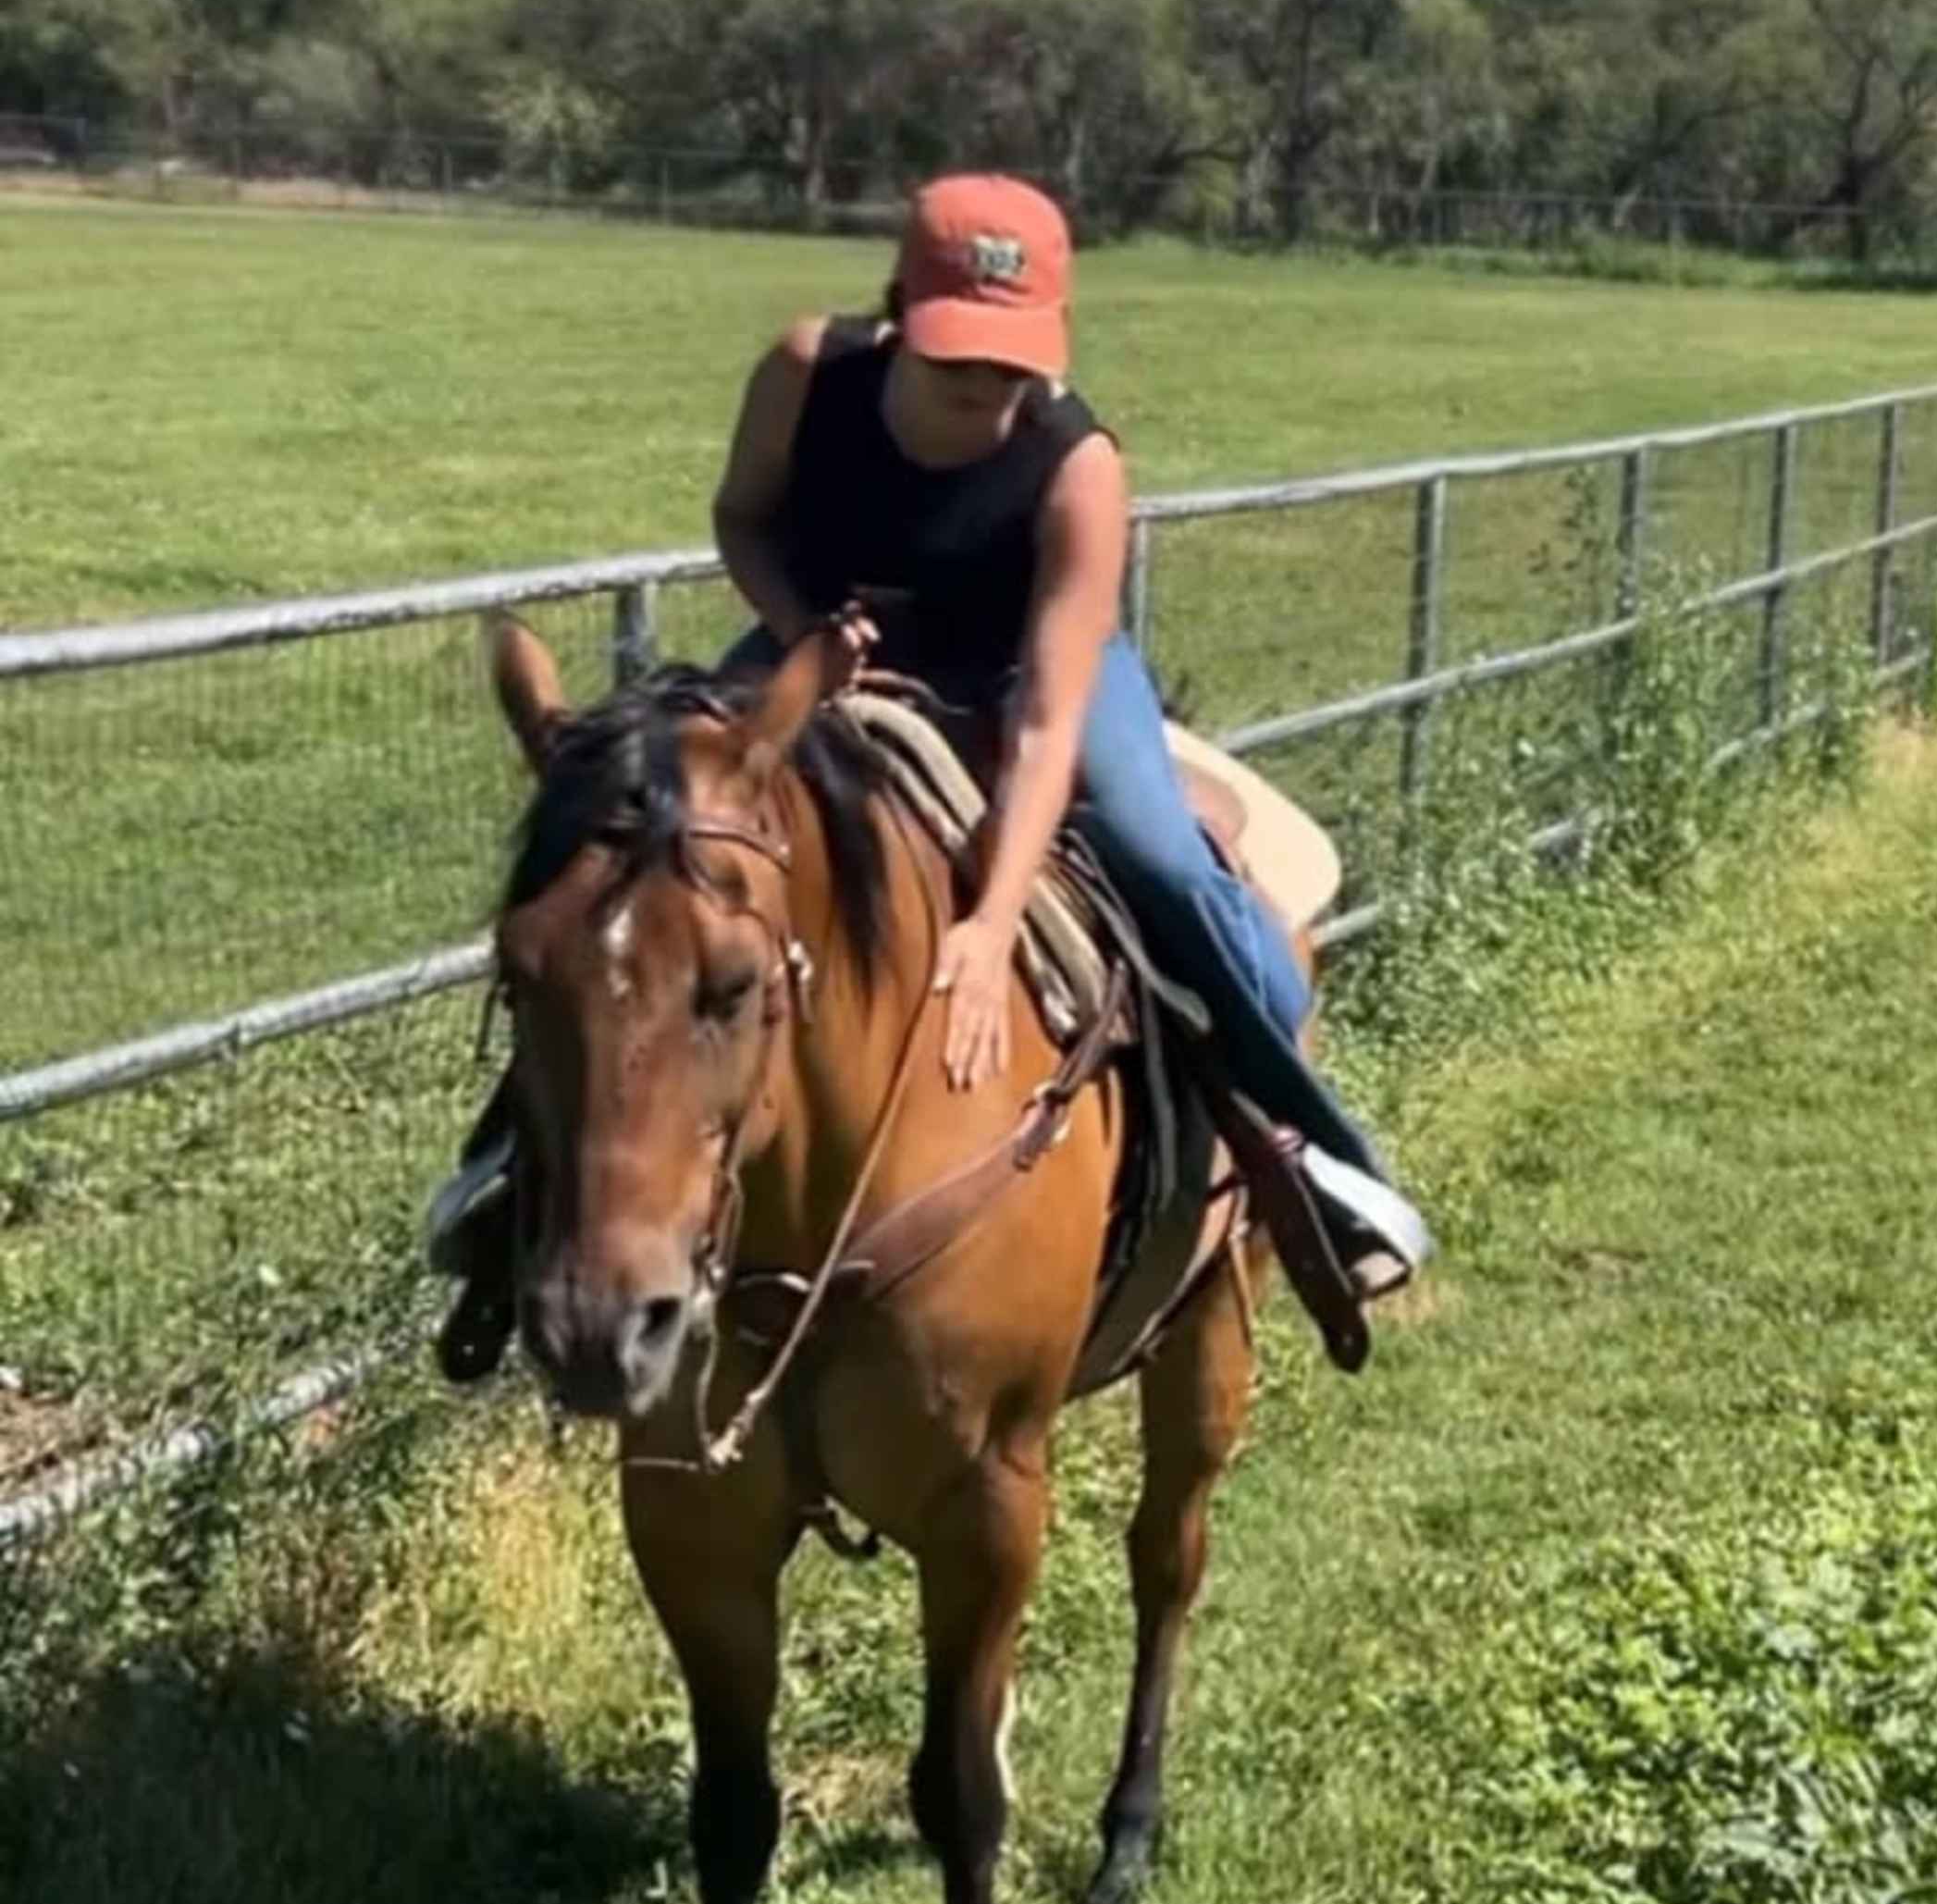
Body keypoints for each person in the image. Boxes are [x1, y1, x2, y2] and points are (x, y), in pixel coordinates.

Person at [430, 174, 1432, 1373]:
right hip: (829, 646)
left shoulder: (1076, 466)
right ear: (901, 308)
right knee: (643, 842)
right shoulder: (804, 374)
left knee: (1157, 852)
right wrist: (802, 633)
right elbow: (744, 516)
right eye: (960, 352)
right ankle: (514, 1170)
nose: (986, 384)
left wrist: (990, 925)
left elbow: (1051, 721)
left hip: (1032, 674)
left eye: (1013, 361)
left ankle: (1307, 1153)